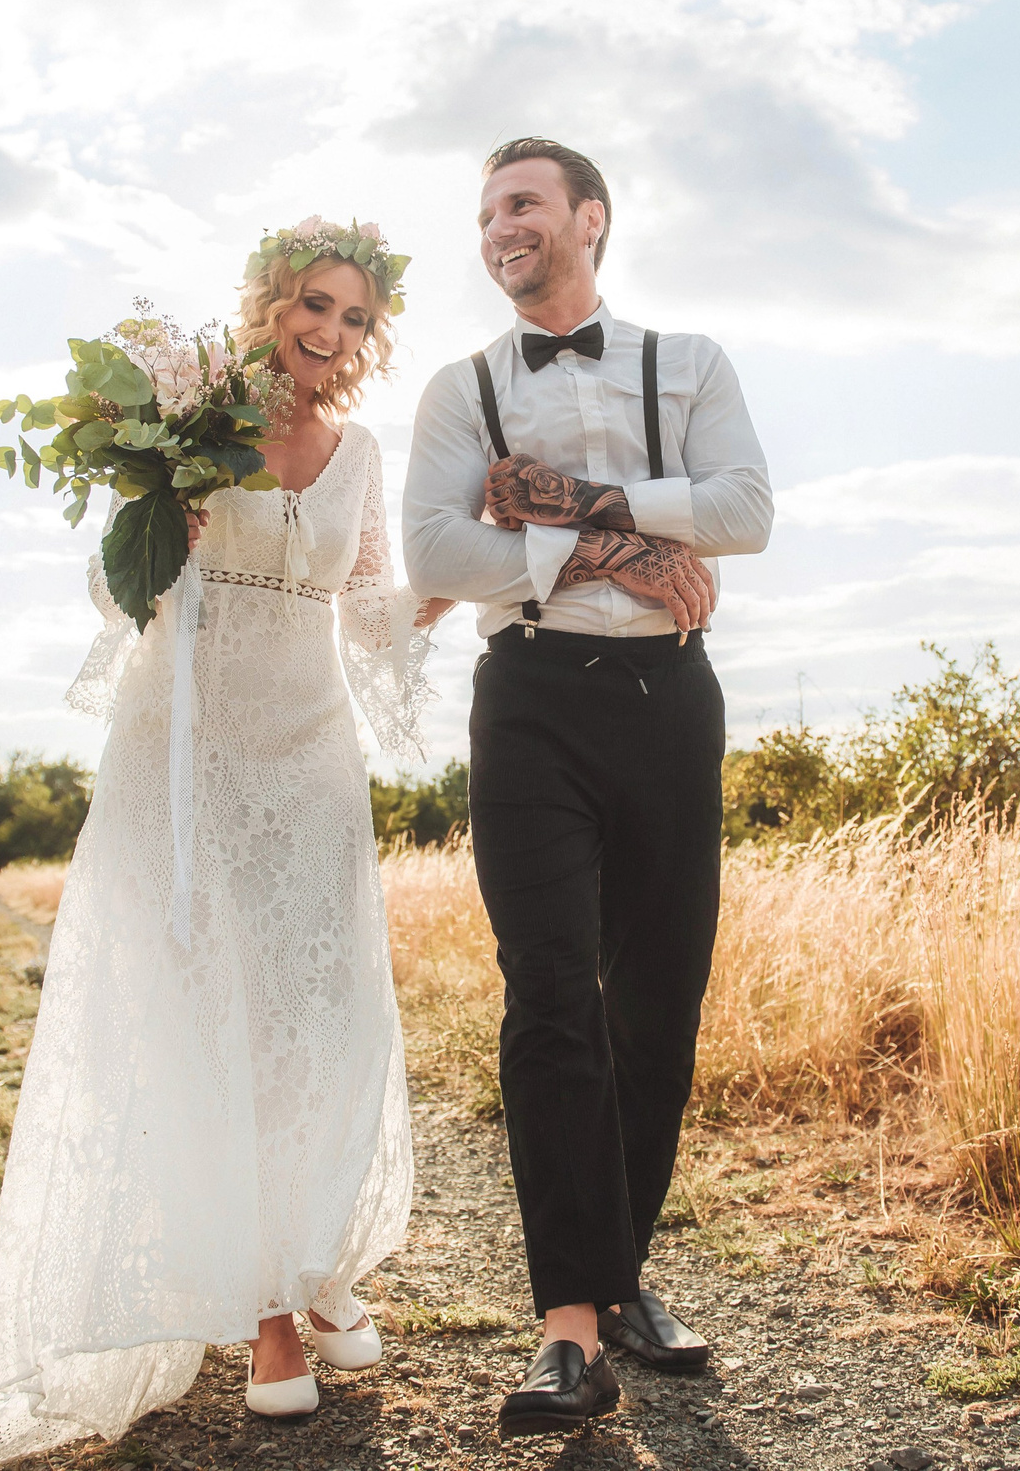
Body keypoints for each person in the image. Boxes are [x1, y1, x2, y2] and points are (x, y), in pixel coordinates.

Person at [0, 219, 449, 1466]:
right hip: (186, 757)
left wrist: (452, 582)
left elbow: (370, 614)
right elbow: (112, 587)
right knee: (211, 1016)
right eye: (313, 305)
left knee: (321, 1021)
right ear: (270, 302)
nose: (329, 333)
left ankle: (313, 1252)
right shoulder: (193, 421)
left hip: (311, 760)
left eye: (351, 317)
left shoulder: (360, 453)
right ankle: (268, 1317)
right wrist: (161, 527)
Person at [401, 139, 773, 1436]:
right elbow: (436, 548)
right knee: (550, 994)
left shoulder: (694, 363)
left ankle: (623, 1279)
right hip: (531, 703)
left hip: (672, 702)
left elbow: (747, 509)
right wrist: (628, 546)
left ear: (589, 219)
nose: (499, 229)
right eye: (486, 213)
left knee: (659, 1005)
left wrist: (565, 512)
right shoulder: (461, 390)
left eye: (521, 205)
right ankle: (570, 1327)